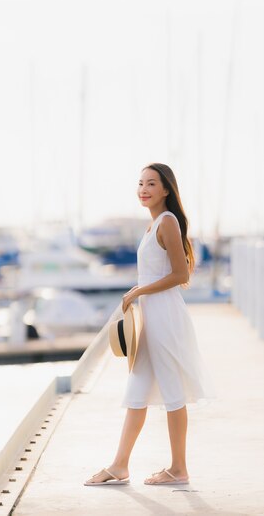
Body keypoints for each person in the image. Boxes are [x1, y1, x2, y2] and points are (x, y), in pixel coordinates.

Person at [85, 163, 214, 487]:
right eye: (141, 183)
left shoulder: (167, 222)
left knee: (172, 392)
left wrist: (138, 290)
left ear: (166, 189)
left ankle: (179, 469)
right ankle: (119, 465)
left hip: (166, 318)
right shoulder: (153, 224)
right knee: (137, 389)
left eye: (151, 183)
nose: (144, 189)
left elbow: (180, 275)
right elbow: (156, 272)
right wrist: (140, 292)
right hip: (151, 318)